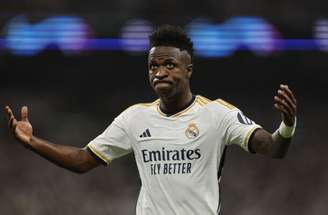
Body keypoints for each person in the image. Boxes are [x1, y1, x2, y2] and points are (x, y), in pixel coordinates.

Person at [4, 25, 297, 215]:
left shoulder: (218, 114)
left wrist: (287, 124)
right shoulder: (134, 118)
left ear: (189, 70)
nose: (160, 72)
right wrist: (32, 142)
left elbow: (273, 147)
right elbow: (82, 160)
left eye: (170, 65)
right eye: (153, 66)